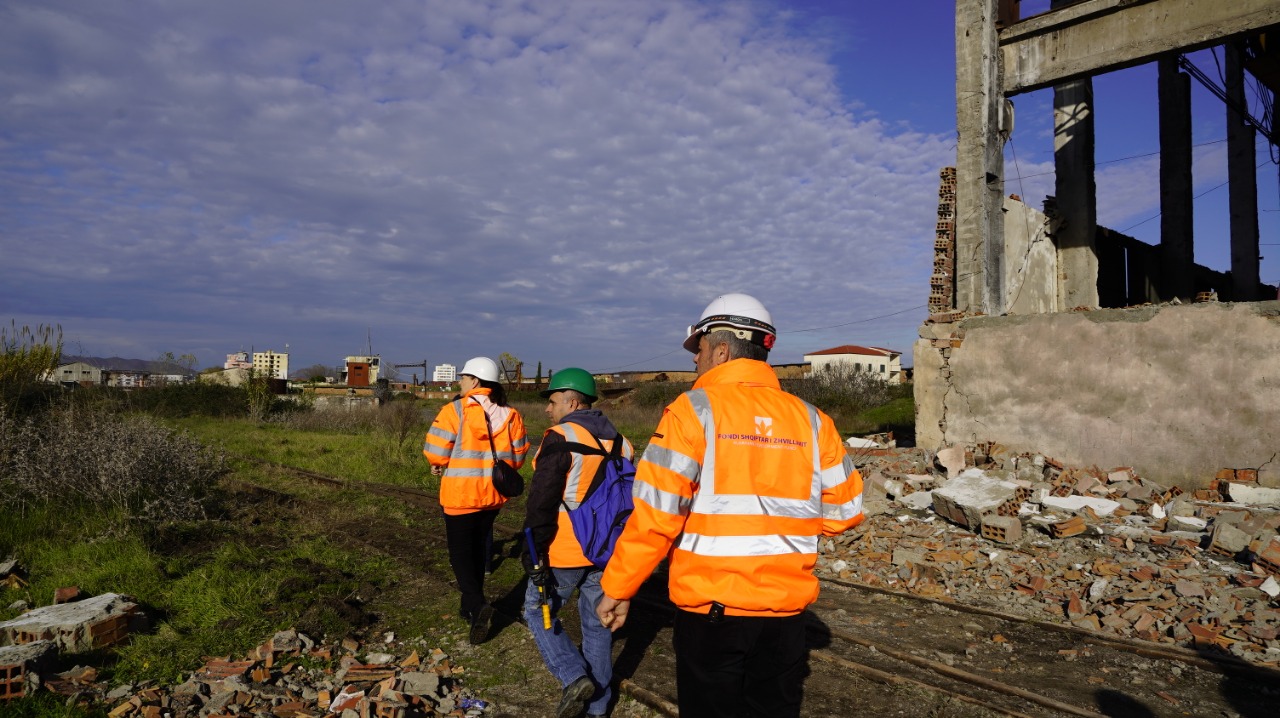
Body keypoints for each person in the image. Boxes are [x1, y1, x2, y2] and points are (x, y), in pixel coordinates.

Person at [595, 293, 865, 718]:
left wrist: (618, 587)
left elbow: (655, 517)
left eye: (699, 350)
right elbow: (846, 511)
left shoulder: (692, 412)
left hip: (712, 612)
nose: (695, 362)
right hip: (786, 612)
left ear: (721, 350)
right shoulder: (813, 420)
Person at [522, 368, 633, 718]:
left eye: (552, 401)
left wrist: (534, 550)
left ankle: (572, 676)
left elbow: (541, 501)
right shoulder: (621, 442)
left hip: (566, 549)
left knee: (536, 611)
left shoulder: (559, 437)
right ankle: (597, 710)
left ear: (572, 401)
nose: (547, 409)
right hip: (607, 551)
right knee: (598, 626)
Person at [424, 356, 528, 644]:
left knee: (460, 554)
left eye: (464, 377)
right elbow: (517, 459)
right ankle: (468, 607)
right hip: (493, 496)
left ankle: (477, 603)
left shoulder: (454, 410)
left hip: (460, 496)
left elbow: (435, 451)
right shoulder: (512, 415)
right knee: (478, 549)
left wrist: (439, 462)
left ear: (476, 381)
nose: (460, 381)